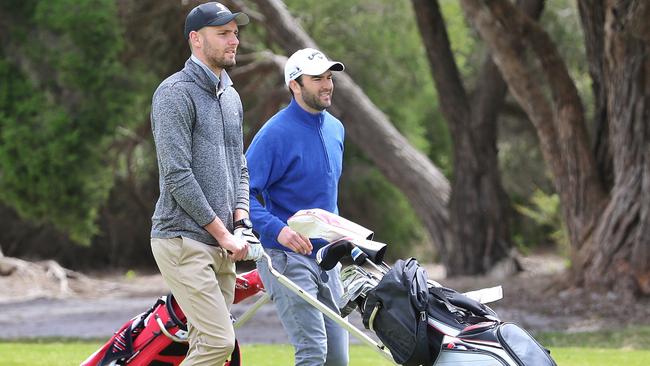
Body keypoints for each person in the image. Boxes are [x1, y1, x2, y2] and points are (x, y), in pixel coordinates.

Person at [149, 2, 261, 365]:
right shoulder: (174, 93)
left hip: (223, 242)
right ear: (196, 39)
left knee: (206, 344)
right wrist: (223, 233)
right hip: (182, 239)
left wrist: (241, 221)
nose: (234, 41)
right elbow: (177, 176)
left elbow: (239, 166)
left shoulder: (231, 95)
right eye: (223, 34)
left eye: (235, 33)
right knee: (217, 342)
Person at [246, 48, 349, 366]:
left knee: (337, 359)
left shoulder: (336, 129)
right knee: (312, 352)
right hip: (286, 257)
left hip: (326, 259)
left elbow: (327, 200)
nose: (327, 84)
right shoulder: (273, 135)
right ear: (295, 84)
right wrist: (279, 231)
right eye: (317, 78)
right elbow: (239, 196)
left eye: (329, 77)